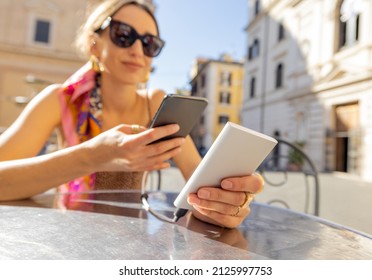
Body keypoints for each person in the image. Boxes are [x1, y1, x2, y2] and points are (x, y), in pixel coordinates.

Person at [0, 0, 263, 228]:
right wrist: (94, 156)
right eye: (123, 34)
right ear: (94, 43)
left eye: (150, 43)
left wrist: (222, 204)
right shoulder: (60, 100)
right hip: (68, 239)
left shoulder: (156, 103)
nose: (137, 50)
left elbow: (198, 184)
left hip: (134, 243)